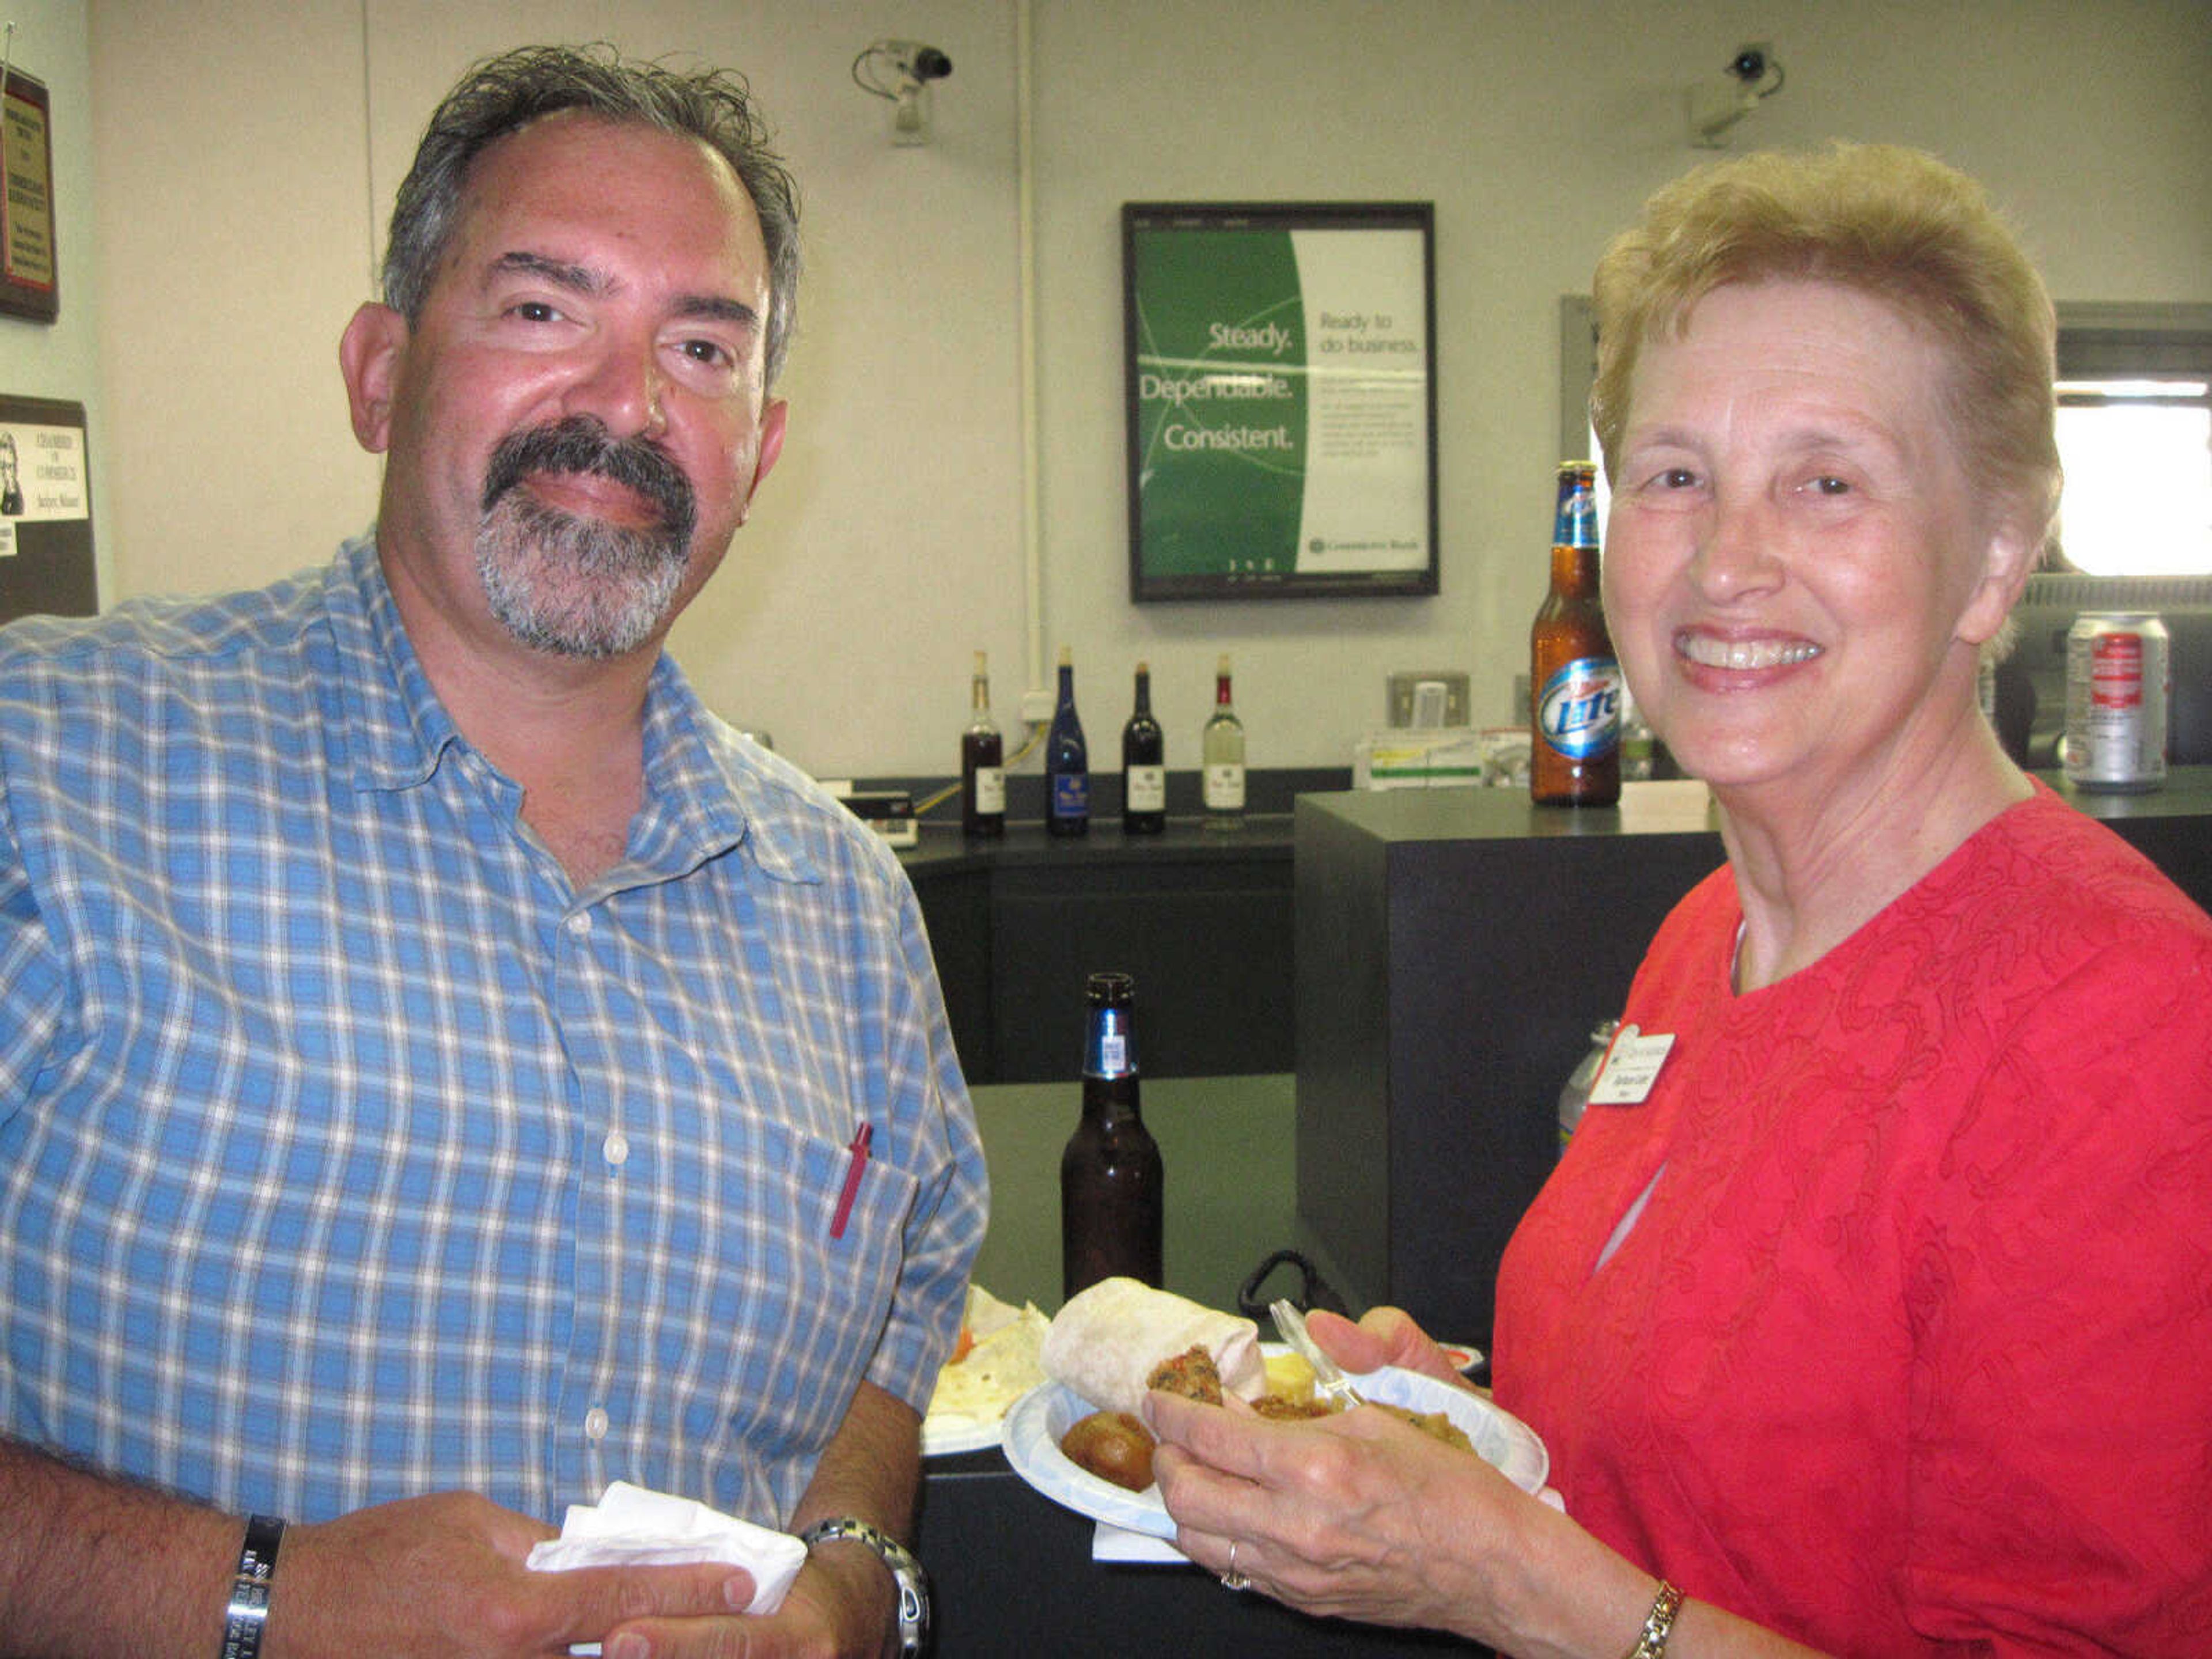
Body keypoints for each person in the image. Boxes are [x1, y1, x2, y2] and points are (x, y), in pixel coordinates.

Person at [1148, 143, 2212, 1656]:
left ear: (1994, 556)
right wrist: (1456, 1436)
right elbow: (1700, 1485)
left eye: (1825, 481)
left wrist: (1506, 1579)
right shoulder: (1700, 940)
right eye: (1673, 477)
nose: (1727, 560)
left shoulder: (2124, 1031)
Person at [0, 43, 986, 1659]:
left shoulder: (850, 916)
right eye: (544, 311)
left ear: (763, 444)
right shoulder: (49, 773)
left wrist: (849, 1591)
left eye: (700, 345)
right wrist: (259, 1597)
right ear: (381, 371)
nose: (627, 405)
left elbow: (901, 1311)